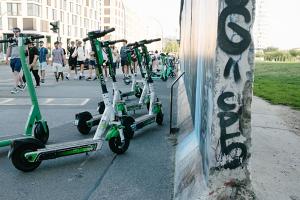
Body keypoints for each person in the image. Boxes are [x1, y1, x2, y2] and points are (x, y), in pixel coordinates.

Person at [6, 27, 26, 94]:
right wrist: (6, 58)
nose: (15, 33)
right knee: (15, 73)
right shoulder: (11, 40)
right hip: (12, 58)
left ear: (19, 32)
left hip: (19, 58)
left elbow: (26, 49)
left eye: (17, 31)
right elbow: (8, 49)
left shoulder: (22, 39)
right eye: (14, 31)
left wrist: (27, 59)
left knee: (16, 73)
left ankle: (15, 88)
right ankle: (23, 84)